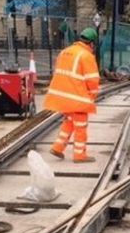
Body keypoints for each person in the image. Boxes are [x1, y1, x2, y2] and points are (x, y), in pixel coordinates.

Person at [43, 27, 100, 163]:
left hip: (61, 97)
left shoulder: (65, 52)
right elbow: (92, 80)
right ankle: (79, 155)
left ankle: (57, 147)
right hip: (76, 98)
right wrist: (91, 98)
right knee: (81, 126)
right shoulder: (86, 56)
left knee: (69, 121)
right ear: (91, 43)